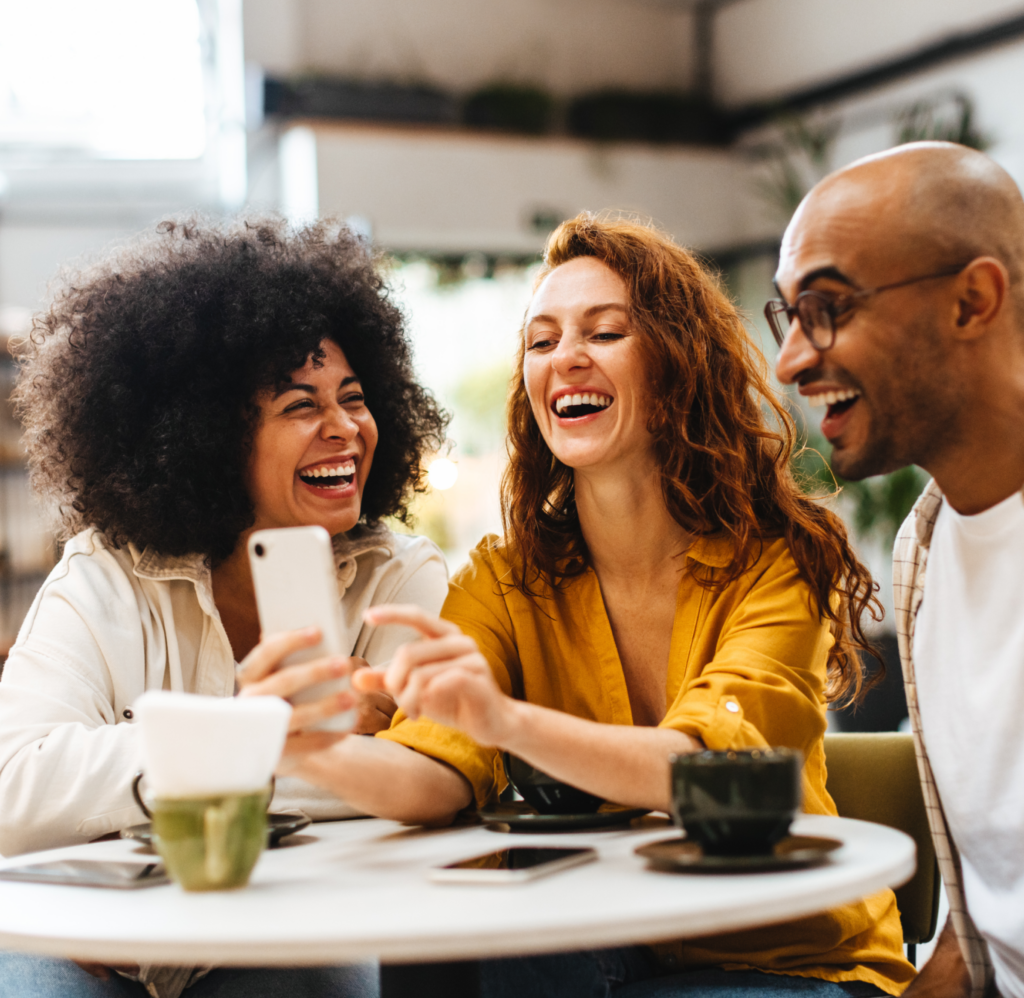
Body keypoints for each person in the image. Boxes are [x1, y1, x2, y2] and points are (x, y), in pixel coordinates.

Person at [245, 214, 915, 997]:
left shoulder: (776, 561)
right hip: (607, 942)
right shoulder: (503, 580)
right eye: (541, 342)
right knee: (468, 947)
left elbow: (708, 768)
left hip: (786, 962)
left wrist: (503, 720)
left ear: (675, 367)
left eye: (604, 332)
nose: (565, 358)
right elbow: (432, 772)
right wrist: (302, 747)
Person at [0, 217, 449, 998]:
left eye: (354, 397)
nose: (344, 427)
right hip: (101, 932)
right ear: (208, 435)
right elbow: (13, 793)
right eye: (299, 405)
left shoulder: (397, 579)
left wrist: (132, 770)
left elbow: (431, 782)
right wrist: (259, 735)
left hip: (287, 931)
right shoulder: (105, 576)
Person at [771, 141, 1024, 998]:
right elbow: (979, 933)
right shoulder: (923, 555)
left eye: (828, 307)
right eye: (788, 318)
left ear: (972, 300)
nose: (791, 361)